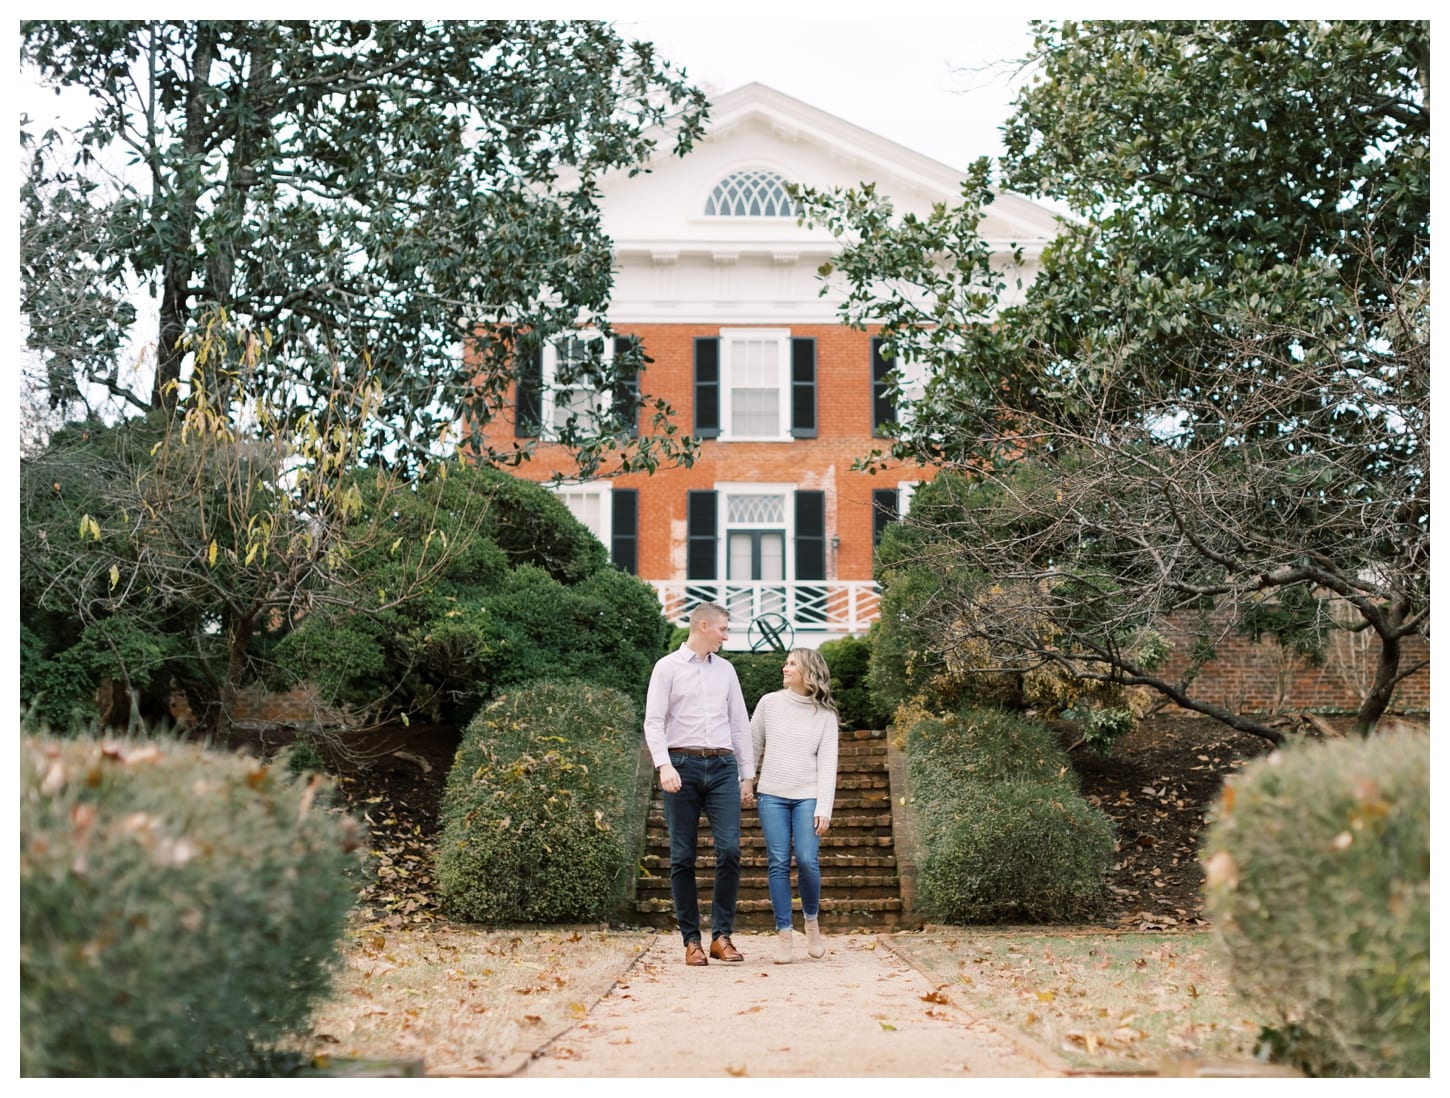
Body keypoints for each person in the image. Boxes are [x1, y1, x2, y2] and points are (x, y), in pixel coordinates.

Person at [643, 601, 756, 966]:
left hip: (722, 766)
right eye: (723, 629)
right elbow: (653, 722)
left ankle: (721, 936)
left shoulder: (726, 671)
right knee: (682, 856)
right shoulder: (667, 668)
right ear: (704, 625)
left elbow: (740, 724)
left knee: (729, 851)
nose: (726, 635)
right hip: (681, 765)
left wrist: (747, 775)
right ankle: (691, 940)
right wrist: (663, 765)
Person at [750, 646, 840, 964]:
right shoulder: (769, 704)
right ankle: (784, 933)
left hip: (808, 796)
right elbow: (753, 744)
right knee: (777, 862)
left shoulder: (825, 716)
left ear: (808, 672)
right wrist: (746, 780)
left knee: (806, 860)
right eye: (785, 663)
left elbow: (828, 764)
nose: (785, 668)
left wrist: (824, 808)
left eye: (792, 664)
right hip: (772, 794)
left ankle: (811, 923)